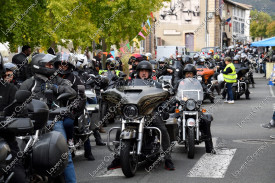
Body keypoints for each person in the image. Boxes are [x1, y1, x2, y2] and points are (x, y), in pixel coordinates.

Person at [19, 53, 77, 183]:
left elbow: (72, 92)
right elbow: (19, 101)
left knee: (64, 155)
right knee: (20, 153)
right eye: (49, 65)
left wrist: (56, 88)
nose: (52, 67)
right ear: (39, 66)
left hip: (52, 120)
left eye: (52, 64)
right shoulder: (29, 83)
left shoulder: (57, 79)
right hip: (31, 122)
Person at [107, 61, 175, 171]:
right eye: (141, 71)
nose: (143, 73)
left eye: (146, 71)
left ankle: (168, 159)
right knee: (120, 130)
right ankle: (118, 158)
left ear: (149, 72)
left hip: (150, 112)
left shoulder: (156, 84)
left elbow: (162, 98)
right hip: (133, 112)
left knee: (162, 129)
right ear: (138, 72)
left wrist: (164, 106)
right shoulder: (130, 83)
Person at [174, 64, 216, 154]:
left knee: (206, 121)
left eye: (190, 73)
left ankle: (210, 148)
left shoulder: (198, 82)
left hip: (195, 105)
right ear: (184, 74)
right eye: (187, 73)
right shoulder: (180, 82)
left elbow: (204, 88)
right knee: (172, 120)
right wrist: (171, 92)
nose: (189, 75)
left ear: (194, 74)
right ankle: (166, 149)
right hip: (183, 106)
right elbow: (174, 90)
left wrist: (208, 91)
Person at [0, 53, 26, 183]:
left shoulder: (9, 89)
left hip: (4, 140)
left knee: (18, 177)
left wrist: (8, 121)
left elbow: (20, 112)